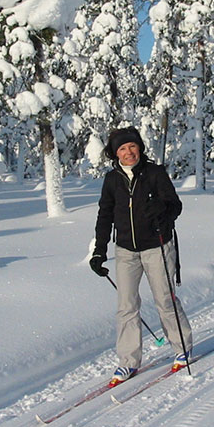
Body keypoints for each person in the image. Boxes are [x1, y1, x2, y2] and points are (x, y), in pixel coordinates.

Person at [90, 126, 193, 385]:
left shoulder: (155, 173)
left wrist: (162, 209)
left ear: (140, 148)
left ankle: (182, 347)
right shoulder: (112, 180)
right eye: (123, 148)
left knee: (165, 300)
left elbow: (175, 206)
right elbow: (105, 215)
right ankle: (128, 361)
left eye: (132, 146)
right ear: (115, 153)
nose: (129, 152)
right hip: (126, 251)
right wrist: (99, 251)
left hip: (157, 246)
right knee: (126, 307)